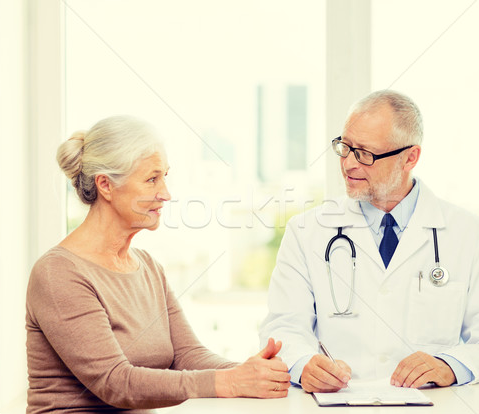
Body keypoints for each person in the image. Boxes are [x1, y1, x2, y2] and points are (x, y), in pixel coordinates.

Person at [259, 90, 479, 393]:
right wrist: (303, 364)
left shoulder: (471, 234)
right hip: (336, 406)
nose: (348, 164)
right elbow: (283, 328)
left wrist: (449, 365)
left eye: (365, 154)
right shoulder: (305, 232)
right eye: (345, 147)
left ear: (410, 157)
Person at [26, 116, 290, 413]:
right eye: (152, 179)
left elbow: (188, 355)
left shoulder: (148, 267)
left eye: (164, 176)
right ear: (106, 186)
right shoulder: (59, 273)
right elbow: (115, 383)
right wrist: (229, 381)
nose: (166, 193)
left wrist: (249, 373)